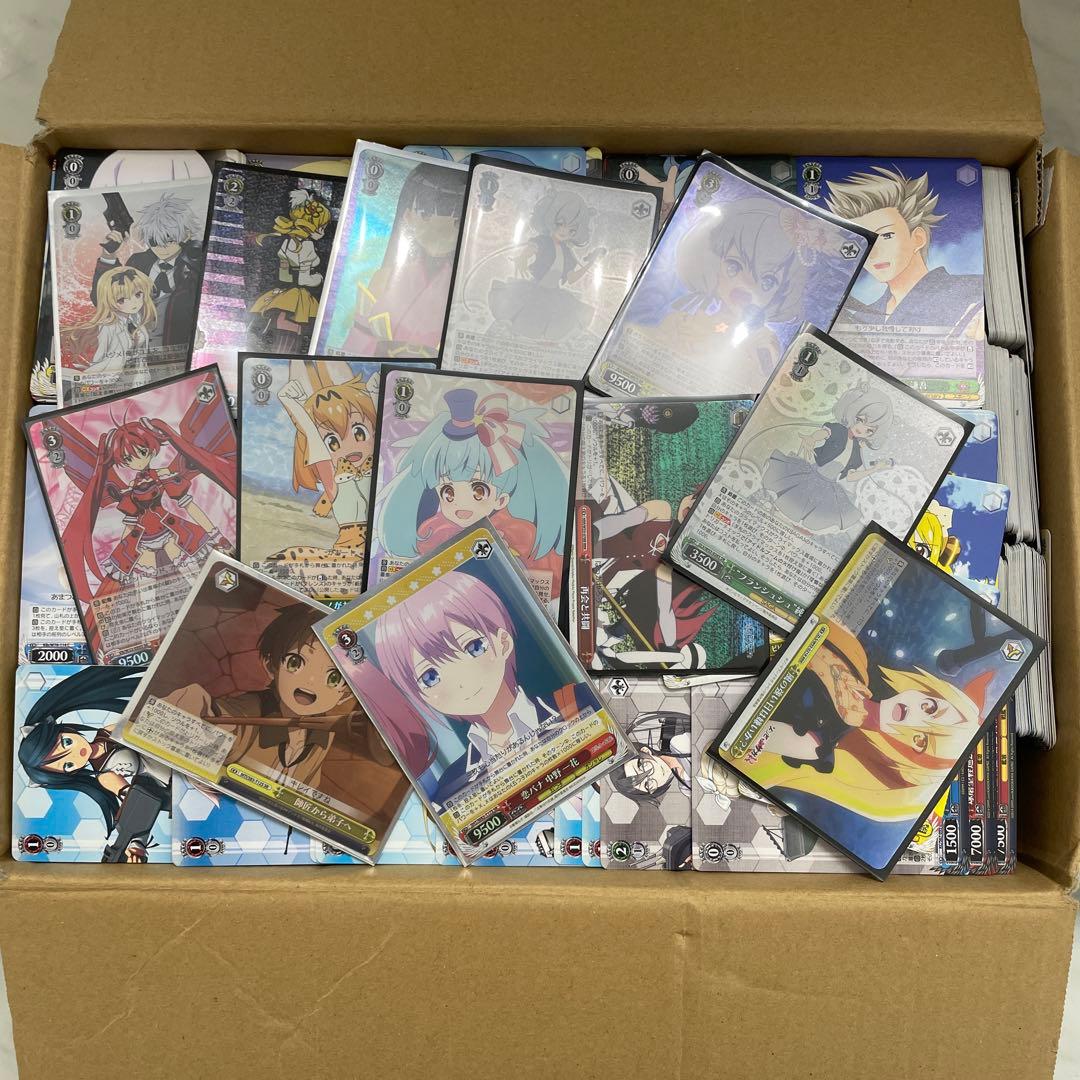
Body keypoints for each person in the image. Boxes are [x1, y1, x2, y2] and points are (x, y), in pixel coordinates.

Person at [365, 572, 592, 806]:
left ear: (502, 642)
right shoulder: (450, 789)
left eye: (473, 647)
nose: (461, 681)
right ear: (421, 695)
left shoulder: (581, 702)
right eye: (430, 677)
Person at [376, 386, 569, 601]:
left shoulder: (521, 534)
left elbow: (551, 586)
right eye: (448, 492)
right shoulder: (433, 532)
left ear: (501, 499)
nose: (461, 503)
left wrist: (509, 563)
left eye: (478, 491)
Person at [17, 666, 168, 863]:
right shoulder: (105, 776)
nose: (75, 754)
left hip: (170, 754)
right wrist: (136, 845)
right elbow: (139, 804)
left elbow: (145, 722)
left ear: (64, 729)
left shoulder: (105, 733)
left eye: (66, 742)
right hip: (168, 782)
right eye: (68, 765)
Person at [825, 165, 983, 336]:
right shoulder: (861, 318)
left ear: (918, 238)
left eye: (886, 235)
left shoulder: (973, 292)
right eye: (863, 242)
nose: (873, 252)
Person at [343, 163, 465, 356]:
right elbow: (358, 341)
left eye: (456, 221)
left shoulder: (462, 287)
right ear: (407, 215)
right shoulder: (384, 277)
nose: (439, 228)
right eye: (425, 214)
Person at [269, 371, 377, 567]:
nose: (348, 447)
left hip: (379, 555)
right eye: (332, 442)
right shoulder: (335, 483)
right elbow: (312, 432)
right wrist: (288, 400)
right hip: (348, 557)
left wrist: (379, 394)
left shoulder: (382, 469)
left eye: (359, 433)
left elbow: (382, 427)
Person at [762, 383, 895, 535]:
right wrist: (812, 438)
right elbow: (825, 433)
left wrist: (874, 469)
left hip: (829, 486)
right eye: (860, 420)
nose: (862, 428)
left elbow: (851, 476)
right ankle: (773, 520)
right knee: (791, 501)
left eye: (869, 430)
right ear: (851, 411)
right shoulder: (839, 430)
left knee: (815, 517)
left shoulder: (857, 451)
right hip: (811, 475)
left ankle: (791, 533)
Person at [92, 190, 202, 355]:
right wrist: (108, 255)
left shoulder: (195, 268)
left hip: (176, 355)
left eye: (169, 239)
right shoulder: (138, 263)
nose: (161, 247)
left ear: (186, 234)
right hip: (134, 355)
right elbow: (103, 299)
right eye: (153, 240)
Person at [487, 188, 605, 340]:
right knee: (523, 313)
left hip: (554, 294)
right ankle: (517, 334)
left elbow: (572, 278)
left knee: (553, 321)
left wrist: (592, 262)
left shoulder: (568, 253)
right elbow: (533, 247)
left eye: (572, 230)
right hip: (534, 288)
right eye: (560, 223)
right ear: (549, 217)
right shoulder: (544, 241)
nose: (564, 231)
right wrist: (523, 258)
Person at [249, 188, 332, 351]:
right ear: (312, 226)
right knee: (291, 340)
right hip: (297, 301)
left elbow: (284, 274)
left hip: (281, 295)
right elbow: (304, 279)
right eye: (322, 227)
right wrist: (319, 279)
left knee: (277, 338)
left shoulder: (287, 242)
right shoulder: (307, 246)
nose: (323, 232)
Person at [64, 265, 156, 384]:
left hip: (138, 374)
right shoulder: (108, 326)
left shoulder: (137, 318)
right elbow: (101, 353)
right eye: (122, 300)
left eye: (138, 294)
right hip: (113, 374)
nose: (133, 303)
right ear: (109, 301)